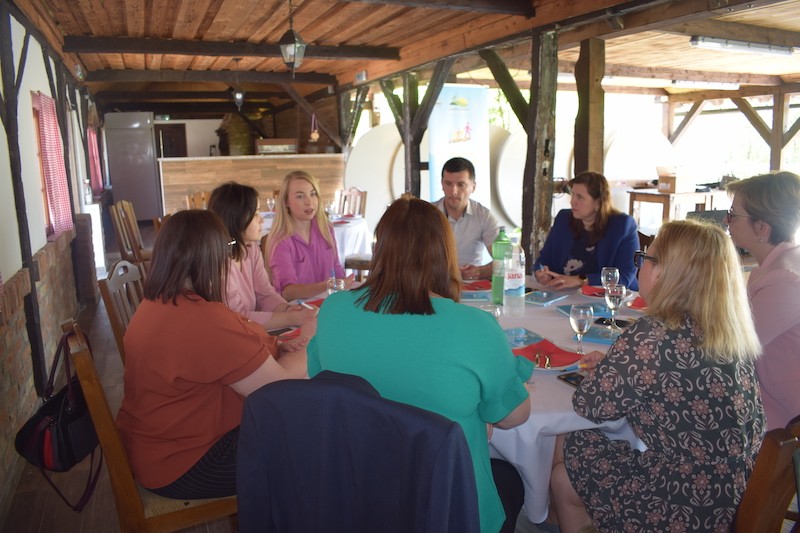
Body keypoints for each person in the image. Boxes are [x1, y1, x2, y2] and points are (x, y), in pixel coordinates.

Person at [308, 197, 533, 533]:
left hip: (360, 497)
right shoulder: (472, 326)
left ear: (380, 249)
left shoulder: (333, 310)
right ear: (445, 253)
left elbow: (321, 382)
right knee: (511, 480)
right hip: (447, 506)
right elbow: (514, 416)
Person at [550, 219, 765, 533]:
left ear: (665, 272)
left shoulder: (653, 334)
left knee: (571, 444)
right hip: (735, 495)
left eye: (644, 258)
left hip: (679, 505)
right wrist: (618, 365)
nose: (640, 266)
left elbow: (590, 405)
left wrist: (612, 371)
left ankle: (552, 516)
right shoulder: (730, 332)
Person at [116, 210, 308, 500]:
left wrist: (276, 345)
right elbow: (278, 387)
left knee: (299, 433)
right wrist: (312, 341)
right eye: (227, 249)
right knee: (309, 448)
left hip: (156, 444)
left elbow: (229, 344)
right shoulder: (203, 320)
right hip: (184, 462)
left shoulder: (158, 303)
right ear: (212, 258)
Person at [726, 171, 800, 430]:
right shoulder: (775, 266)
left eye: (733, 215)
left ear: (762, 228)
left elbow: (734, 346)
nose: (727, 221)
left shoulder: (785, 281)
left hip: (785, 422)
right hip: (767, 404)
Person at [207, 182, 317, 331]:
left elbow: (264, 292)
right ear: (236, 218)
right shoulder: (218, 261)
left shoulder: (250, 248)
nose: (262, 220)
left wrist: (287, 309)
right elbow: (237, 318)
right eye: (256, 214)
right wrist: (291, 318)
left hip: (249, 331)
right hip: (227, 334)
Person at [534, 171, 639, 290]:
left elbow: (624, 277)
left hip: (611, 297)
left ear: (598, 203)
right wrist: (542, 273)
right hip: (566, 295)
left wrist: (580, 280)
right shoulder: (564, 219)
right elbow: (543, 260)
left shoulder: (622, 226)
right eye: (572, 194)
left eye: (580, 197)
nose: (572, 201)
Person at [266, 170, 354, 301]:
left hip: (329, 303)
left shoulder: (326, 229)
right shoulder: (281, 240)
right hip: (299, 308)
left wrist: (343, 284)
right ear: (286, 202)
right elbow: (288, 292)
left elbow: (336, 269)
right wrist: (325, 286)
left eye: (313, 194)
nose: (309, 201)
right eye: (300, 196)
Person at [434, 157, 500, 280]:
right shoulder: (428, 215)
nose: (454, 191)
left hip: (471, 285)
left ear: (473, 187)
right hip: (435, 284)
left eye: (461, 185)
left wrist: (480, 271)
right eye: (448, 184)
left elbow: (505, 260)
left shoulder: (483, 216)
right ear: (442, 184)